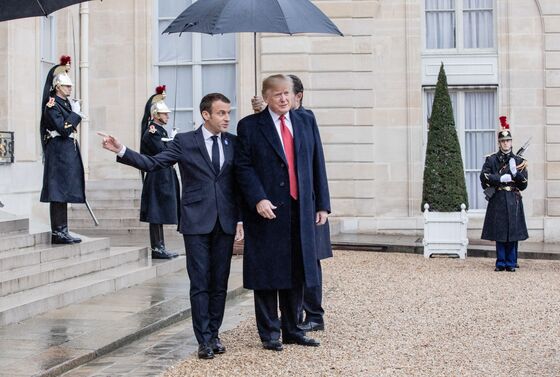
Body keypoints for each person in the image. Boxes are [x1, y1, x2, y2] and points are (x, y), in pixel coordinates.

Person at [101, 93, 243, 360]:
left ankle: (214, 333)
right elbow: (154, 164)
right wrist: (122, 150)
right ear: (206, 115)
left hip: (225, 222)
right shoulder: (185, 141)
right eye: (221, 113)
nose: (226, 118)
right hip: (195, 222)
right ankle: (204, 340)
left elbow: (237, 184)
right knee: (200, 282)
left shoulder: (232, 142)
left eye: (228, 113)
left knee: (220, 283)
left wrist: (240, 219)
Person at [236, 74, 330, 351]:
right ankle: (270, 334)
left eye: (287, 93)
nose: (284, 98)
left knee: (296, 271)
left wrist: (322, 203)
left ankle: (293, 329)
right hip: (267, 211)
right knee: (267, 273)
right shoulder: (250, 126)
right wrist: (258, 199)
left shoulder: (305, 120)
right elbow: (243, 168)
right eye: (277, 94)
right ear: (265, 97)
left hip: (301, 209)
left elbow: (317, 161)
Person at [40, 55, 85, 244]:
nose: (70, 89)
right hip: (58, 151)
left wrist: (73, 113)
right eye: (67, 86)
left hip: (66, 152)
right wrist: (75, 115)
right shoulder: (52, 105)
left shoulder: (65, 104)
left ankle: (63, 230)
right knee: (58, 193)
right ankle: (58, 232)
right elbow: (64, 130)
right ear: (58, 86)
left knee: (64, 192)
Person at [480, 116, 528, 272]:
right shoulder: (492, 160)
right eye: (503, 141)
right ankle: (501, 262)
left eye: (508, 141)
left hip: (513, 198)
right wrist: (500, 178)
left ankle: (511, 262)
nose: (506, 143)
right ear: (499, 143)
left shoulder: (519, 160)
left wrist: (516, 174)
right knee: (500, 231)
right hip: (499, 197)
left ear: (511, 142)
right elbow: (484, 177)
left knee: (513, 231)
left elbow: (524, 184)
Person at [139, 86, 180, 259]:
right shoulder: (152, 131)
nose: (167, 116)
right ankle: (157, 248)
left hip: (164, 175)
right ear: (156, 115)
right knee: (156, 214)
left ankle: (161, 246)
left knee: (161, 213)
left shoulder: (161, 131)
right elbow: (162, 154)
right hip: (157, 175)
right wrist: (173, 142)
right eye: (164, 114)